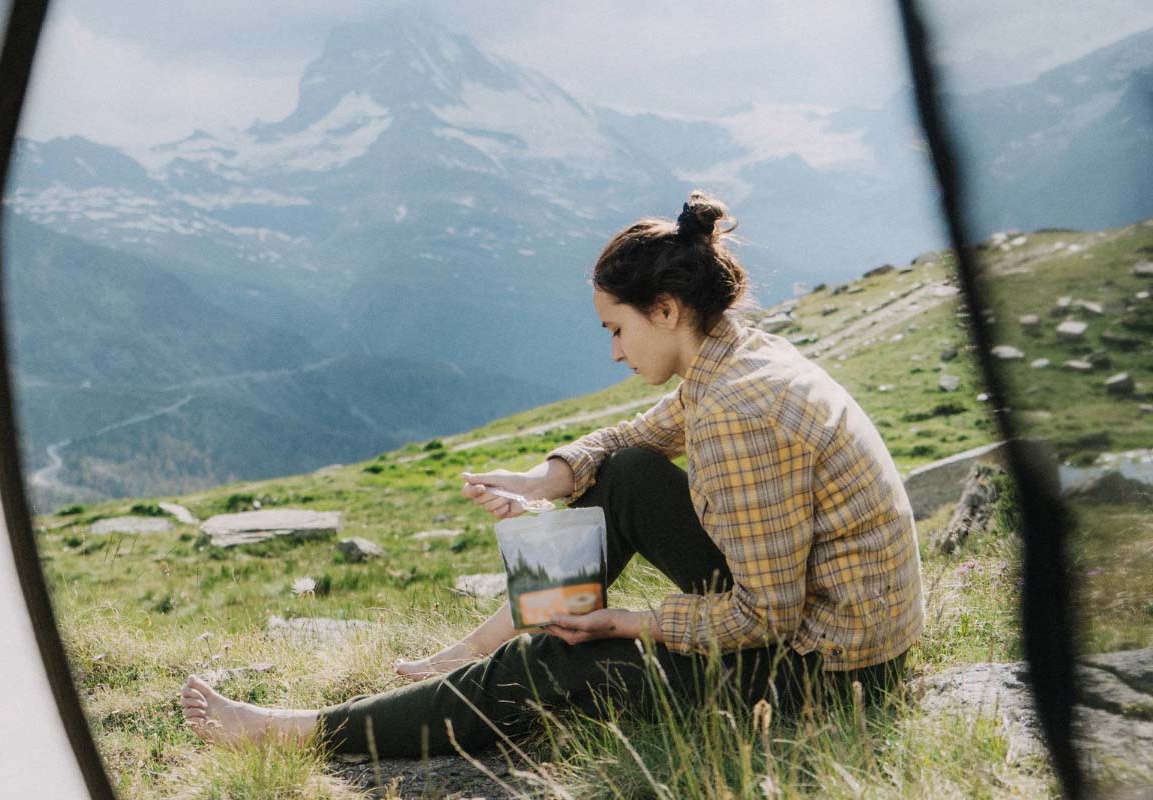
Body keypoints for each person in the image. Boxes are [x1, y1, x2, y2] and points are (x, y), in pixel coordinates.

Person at [180, 191, 924, 755]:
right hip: (837, 635)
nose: (613, 352)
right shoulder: (734, 354)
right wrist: (547, 478)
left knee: (560, 658)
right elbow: (636, 437)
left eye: (616, 329)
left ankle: (302, 731)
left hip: (828, 680)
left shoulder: (737, 409)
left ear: (664, 310)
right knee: (629, 472)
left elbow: (766, 617)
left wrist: (629, 622)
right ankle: (483, 642)